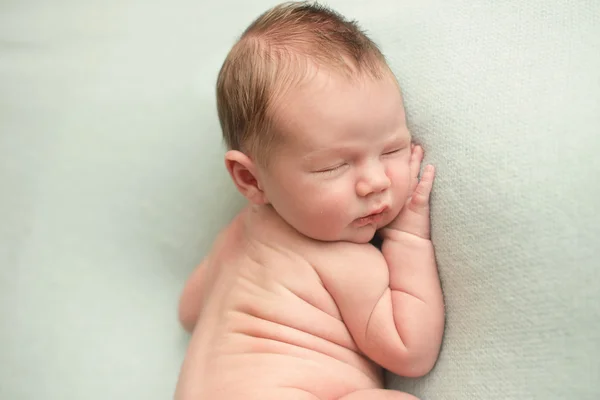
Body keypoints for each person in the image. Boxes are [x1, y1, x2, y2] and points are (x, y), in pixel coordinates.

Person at [175, 2, 444, 399]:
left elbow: (187, 312)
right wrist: (408, 239)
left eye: (392, 150)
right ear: (250, 178)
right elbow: (411, 352)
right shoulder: (346, 262)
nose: (374, 182)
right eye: (333, 167)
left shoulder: (233, 239)